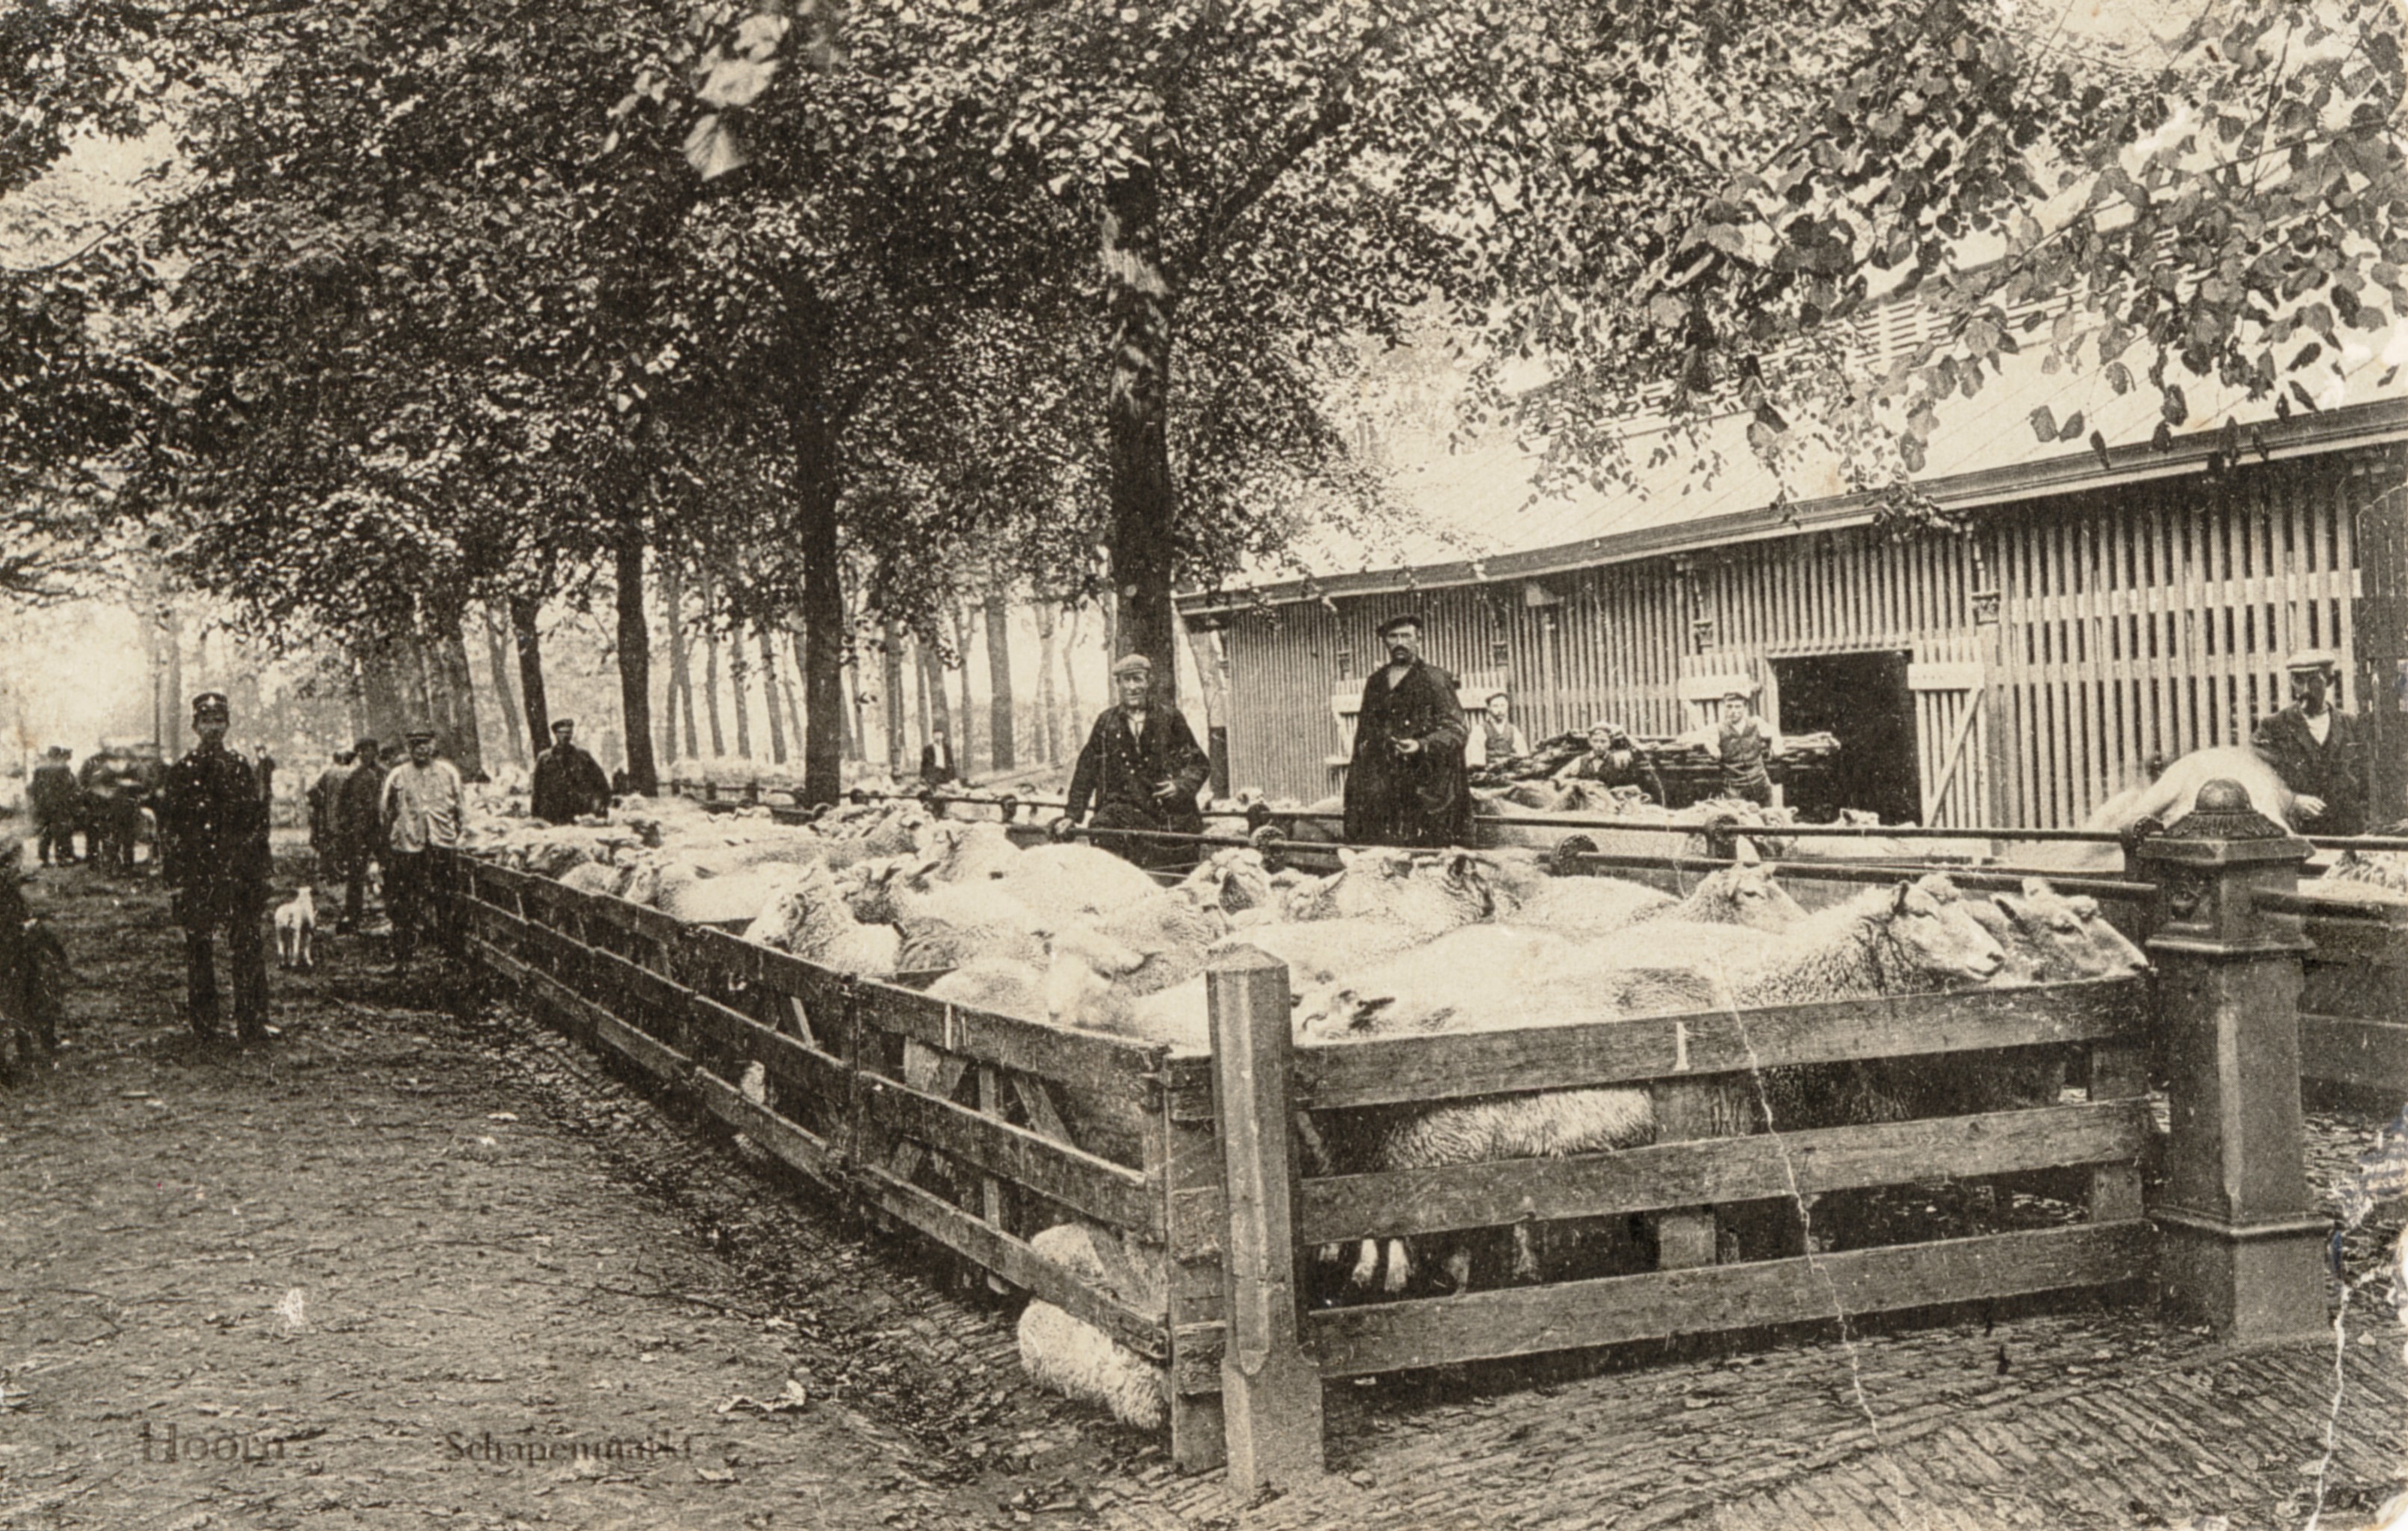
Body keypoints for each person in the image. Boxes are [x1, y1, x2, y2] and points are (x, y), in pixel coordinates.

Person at [155, 693, 271, 1043]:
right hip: (197, 873)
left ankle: (252, 1022)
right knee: (199, 946)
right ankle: (204, 1025)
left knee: (247, 944)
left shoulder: (240, 768)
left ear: (227, 724)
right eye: (205, 722)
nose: (212, 728)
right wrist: (175, 878)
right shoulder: (180, 772)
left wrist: (261, 870)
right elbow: (170, 829)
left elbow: (256, 822)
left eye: (218, 721)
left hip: (237, 870)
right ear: (195, 726)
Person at [1061, 653, 1211, 870]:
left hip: (1166, 818)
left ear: (1148, 682)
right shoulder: (1106, 724)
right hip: (1121, 815)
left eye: (1137, 679)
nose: (1132, 687)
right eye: (1126, 680)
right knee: (1104, 841)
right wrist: (1072, 816)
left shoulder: (1170, 719)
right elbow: (1086, 771)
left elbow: (1198, 763)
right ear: (1119, 685)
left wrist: (1180, 785)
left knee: (1171, 875)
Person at [1342, 614, 1472, 848]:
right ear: (1385, 642)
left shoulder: (1435, 679)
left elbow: (1456, 730)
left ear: (1418, 640)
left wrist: (1422, 745)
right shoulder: (1376, 682)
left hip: (1427, 785)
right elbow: (1364, 735)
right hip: (1385, 784)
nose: (1399, 642)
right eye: (1393, 636)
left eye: (1406, 636)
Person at [2253, 649, 2368, 835]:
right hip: (2299, 835)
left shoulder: (2352, 725)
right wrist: (2292, 801)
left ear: (2330, 681)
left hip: (2349, 834)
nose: (2305, 690)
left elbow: (2369, 780)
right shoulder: (2273, 727)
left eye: (2314, 681)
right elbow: (2255, 777)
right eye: (2299, 681)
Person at [380, 727, 464, 969]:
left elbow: (460, 806)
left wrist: (454, 833)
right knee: (404, 900)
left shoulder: (448, 773)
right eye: (416, 745)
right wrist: (395, 836)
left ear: (433, 747)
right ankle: (404, 956)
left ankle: (451, 953)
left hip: (442, 841)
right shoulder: (398, 775)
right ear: (409, 749)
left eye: (425, 744)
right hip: (408, 844)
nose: (421, 749)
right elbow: (385, 810)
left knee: (446, 897)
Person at [335, 735, 387, 934]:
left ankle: (396, 914)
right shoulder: (353, 777)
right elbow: (343, 807)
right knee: (356, 874)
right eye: (362, 751)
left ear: (376, 752)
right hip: (360, 833)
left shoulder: (386, 775)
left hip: (382, 831)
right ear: (358, 754)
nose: (367, 754)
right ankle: (352, 915)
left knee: (390, 872)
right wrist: (345, 830)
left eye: (370, 750)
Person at [1552, 720, 1668, 803]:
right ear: (1590, 742)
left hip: (1612, 803)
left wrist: (1626, 736)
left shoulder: (1619, 759)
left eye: (1603, 742)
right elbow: (1558, 778)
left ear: (1610, 743)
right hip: (1588, 805)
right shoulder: (1580, 761)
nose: (1599, 746)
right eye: (1595, 741)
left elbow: (1637, 753)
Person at [531, 717, 612, 824]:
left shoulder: (583, 756)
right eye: (561, 733)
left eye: (568, 733)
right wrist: (535, 814)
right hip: (553, 812)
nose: (565, 736)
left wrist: (601, 803)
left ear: (572, 734)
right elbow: (537, 788)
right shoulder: (544, 758)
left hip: (578, 810)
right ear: (556, 734)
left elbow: (600, 781)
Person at [1707, 690, 1780, 806]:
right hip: (1735, 789)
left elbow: (1774, 732)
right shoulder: (1718, 729)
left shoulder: (1756, 723)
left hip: (1760, 783)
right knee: (1740, 822)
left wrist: (1777, 744)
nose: (1733, 711)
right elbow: (1707, 740)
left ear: (1745, 708)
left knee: (1769, 818)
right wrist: (1711, 747)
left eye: (1738, 707)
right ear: (1724, 708)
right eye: (1729, 707)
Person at [307, 749, 356, 881]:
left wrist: (321, 803)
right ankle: (344, 869)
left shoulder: (329, 773)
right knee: (346, 841)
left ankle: (331, 870)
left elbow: (312, 790)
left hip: (330, 812)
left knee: (331, 840)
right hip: (347, 813)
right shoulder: (351, 773)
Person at [28, 747, 81, 867]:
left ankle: (44, 859)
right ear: (58, 756)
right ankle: (61, 858)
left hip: (43, 806)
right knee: (61, 832)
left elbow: (33, 789)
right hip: (59, 806)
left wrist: (37, 804)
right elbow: (68, 788)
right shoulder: (63, 770)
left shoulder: (39, 770)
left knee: (45, 832)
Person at [77, 748, 125, 874]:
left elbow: (83, 784)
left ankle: (96, 863)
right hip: (102, 807)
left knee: (95, 836)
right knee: (105, 836)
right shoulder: (107, 771)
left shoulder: (91, 768)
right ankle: (107, 864)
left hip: (96, 807)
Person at [1463, 693, 1532, 771]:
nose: (1500, 710)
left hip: (1510, 770)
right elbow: (1477, 760)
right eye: (1495, 706)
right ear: (1489, 708)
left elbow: (1523, 754)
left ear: (1507, 707)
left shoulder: (1513, 730)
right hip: (1488, 771)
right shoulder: (1480, 730)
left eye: (1503, 706)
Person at [919, 726, 958, 790]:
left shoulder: (947, 748)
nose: (938, 737)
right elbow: (924, 764)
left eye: (939, 735)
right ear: (933, 737)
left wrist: (954, 776)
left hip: (945, 772)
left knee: (946, 789)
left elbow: (951, 762)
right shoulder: (928, 749)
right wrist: (922, 776)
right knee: (933, 789)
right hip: (933, 772)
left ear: (942, 736)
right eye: (936, 735)